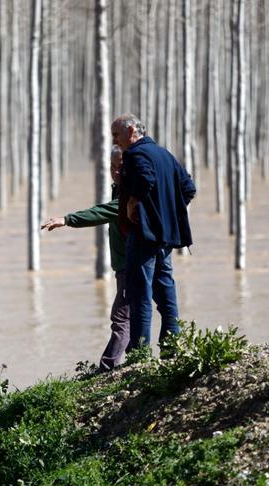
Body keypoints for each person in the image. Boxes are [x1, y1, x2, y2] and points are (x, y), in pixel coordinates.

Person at [111, 113, 196, 351]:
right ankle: (172, 349)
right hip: (165, 237)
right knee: (167, 294)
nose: (115, 141)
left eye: (116, 135)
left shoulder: (135, 154)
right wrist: (166, 213)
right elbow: (188, 188)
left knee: (140, 295)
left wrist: (133, 202)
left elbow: (145, 180)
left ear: (130, 132)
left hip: (143, 236)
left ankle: (139, 353)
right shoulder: (164, 154)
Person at [41, 146, 129, 370]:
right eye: (112, 167)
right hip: (125, 264)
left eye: (121, 167)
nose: (116, 172)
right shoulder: (118, 190)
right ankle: (140, 359)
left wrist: (68, 219)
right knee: (134, 315)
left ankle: (108, 368)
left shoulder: (130, 194)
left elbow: (102, 212)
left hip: (133, 264)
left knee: (121, 318)